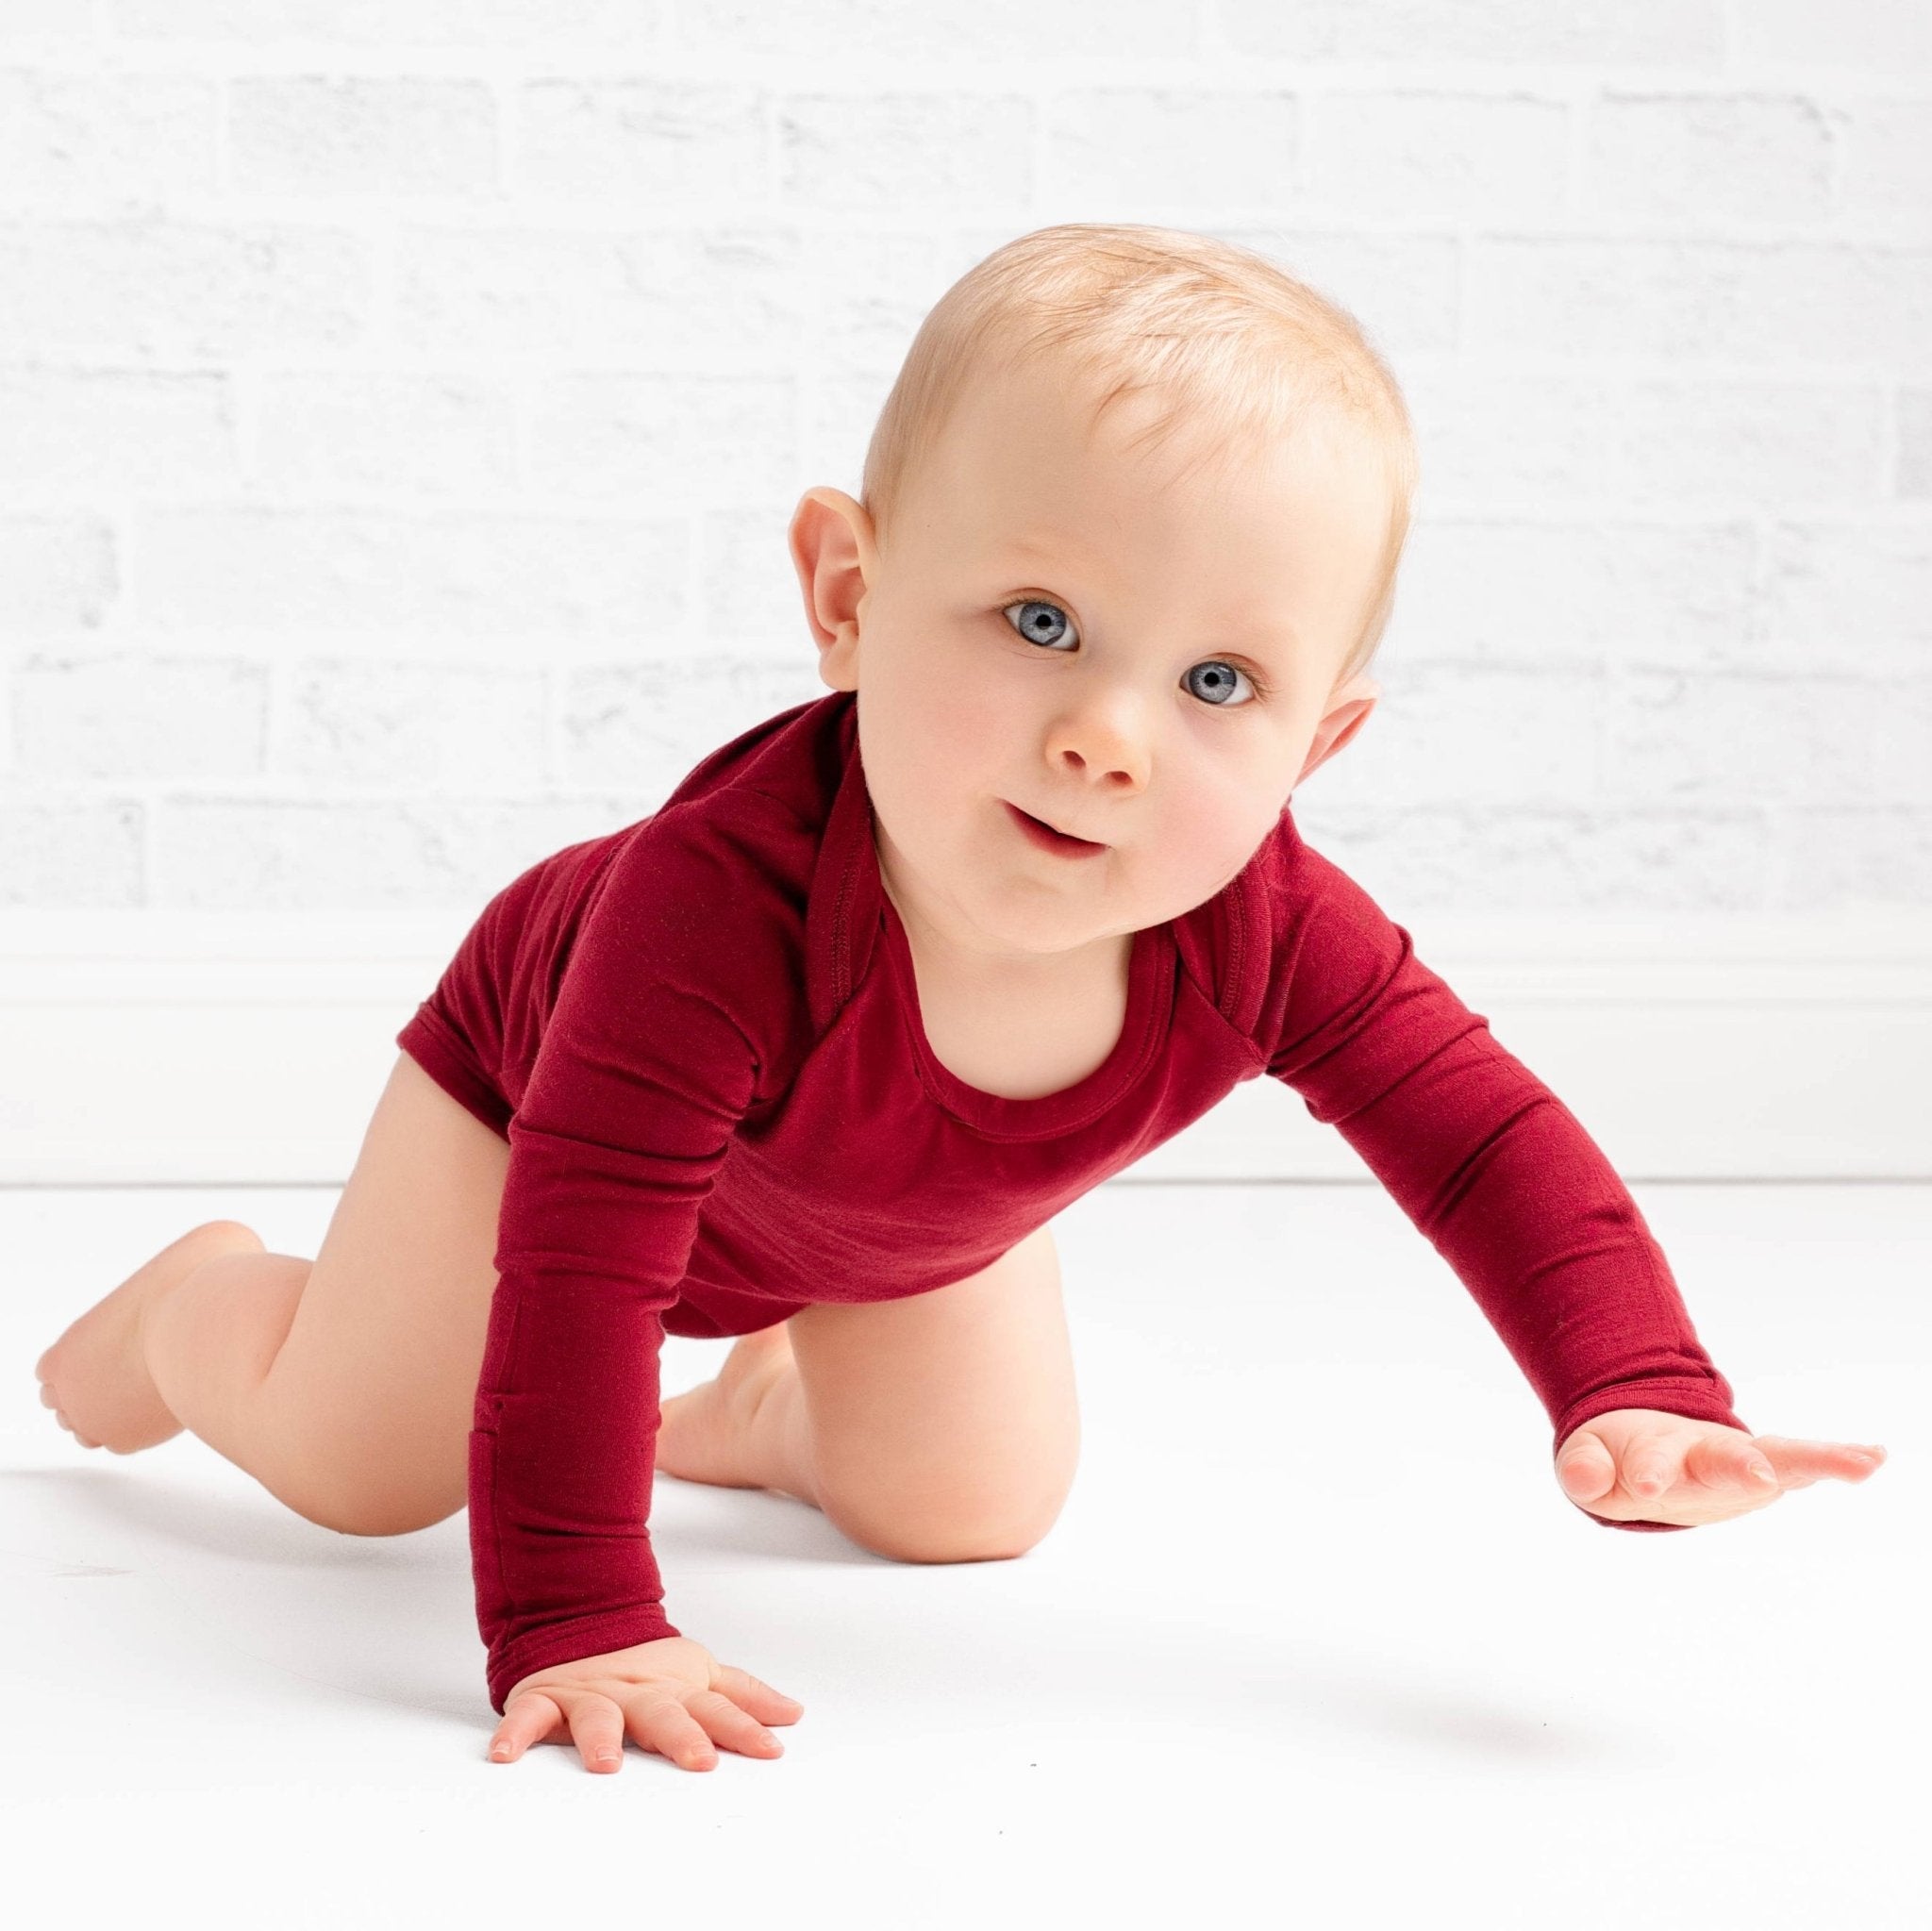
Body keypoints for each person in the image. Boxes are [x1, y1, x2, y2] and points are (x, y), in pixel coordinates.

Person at [34, 223, 1889, 1777]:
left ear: (1317, 741)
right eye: (1040, 623)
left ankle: (767, 1410)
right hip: (542, 1131)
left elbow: (1481, 1136)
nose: (1103, 735)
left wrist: (1636, 1384)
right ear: (847, 592)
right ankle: (202, 1311)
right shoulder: (709, 912)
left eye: (1219, 679)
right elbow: (588, 1264)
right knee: (369, 1468)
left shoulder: (1262, 922)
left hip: (885, 1203)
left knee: (968, 1510)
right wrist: (586, 1612)